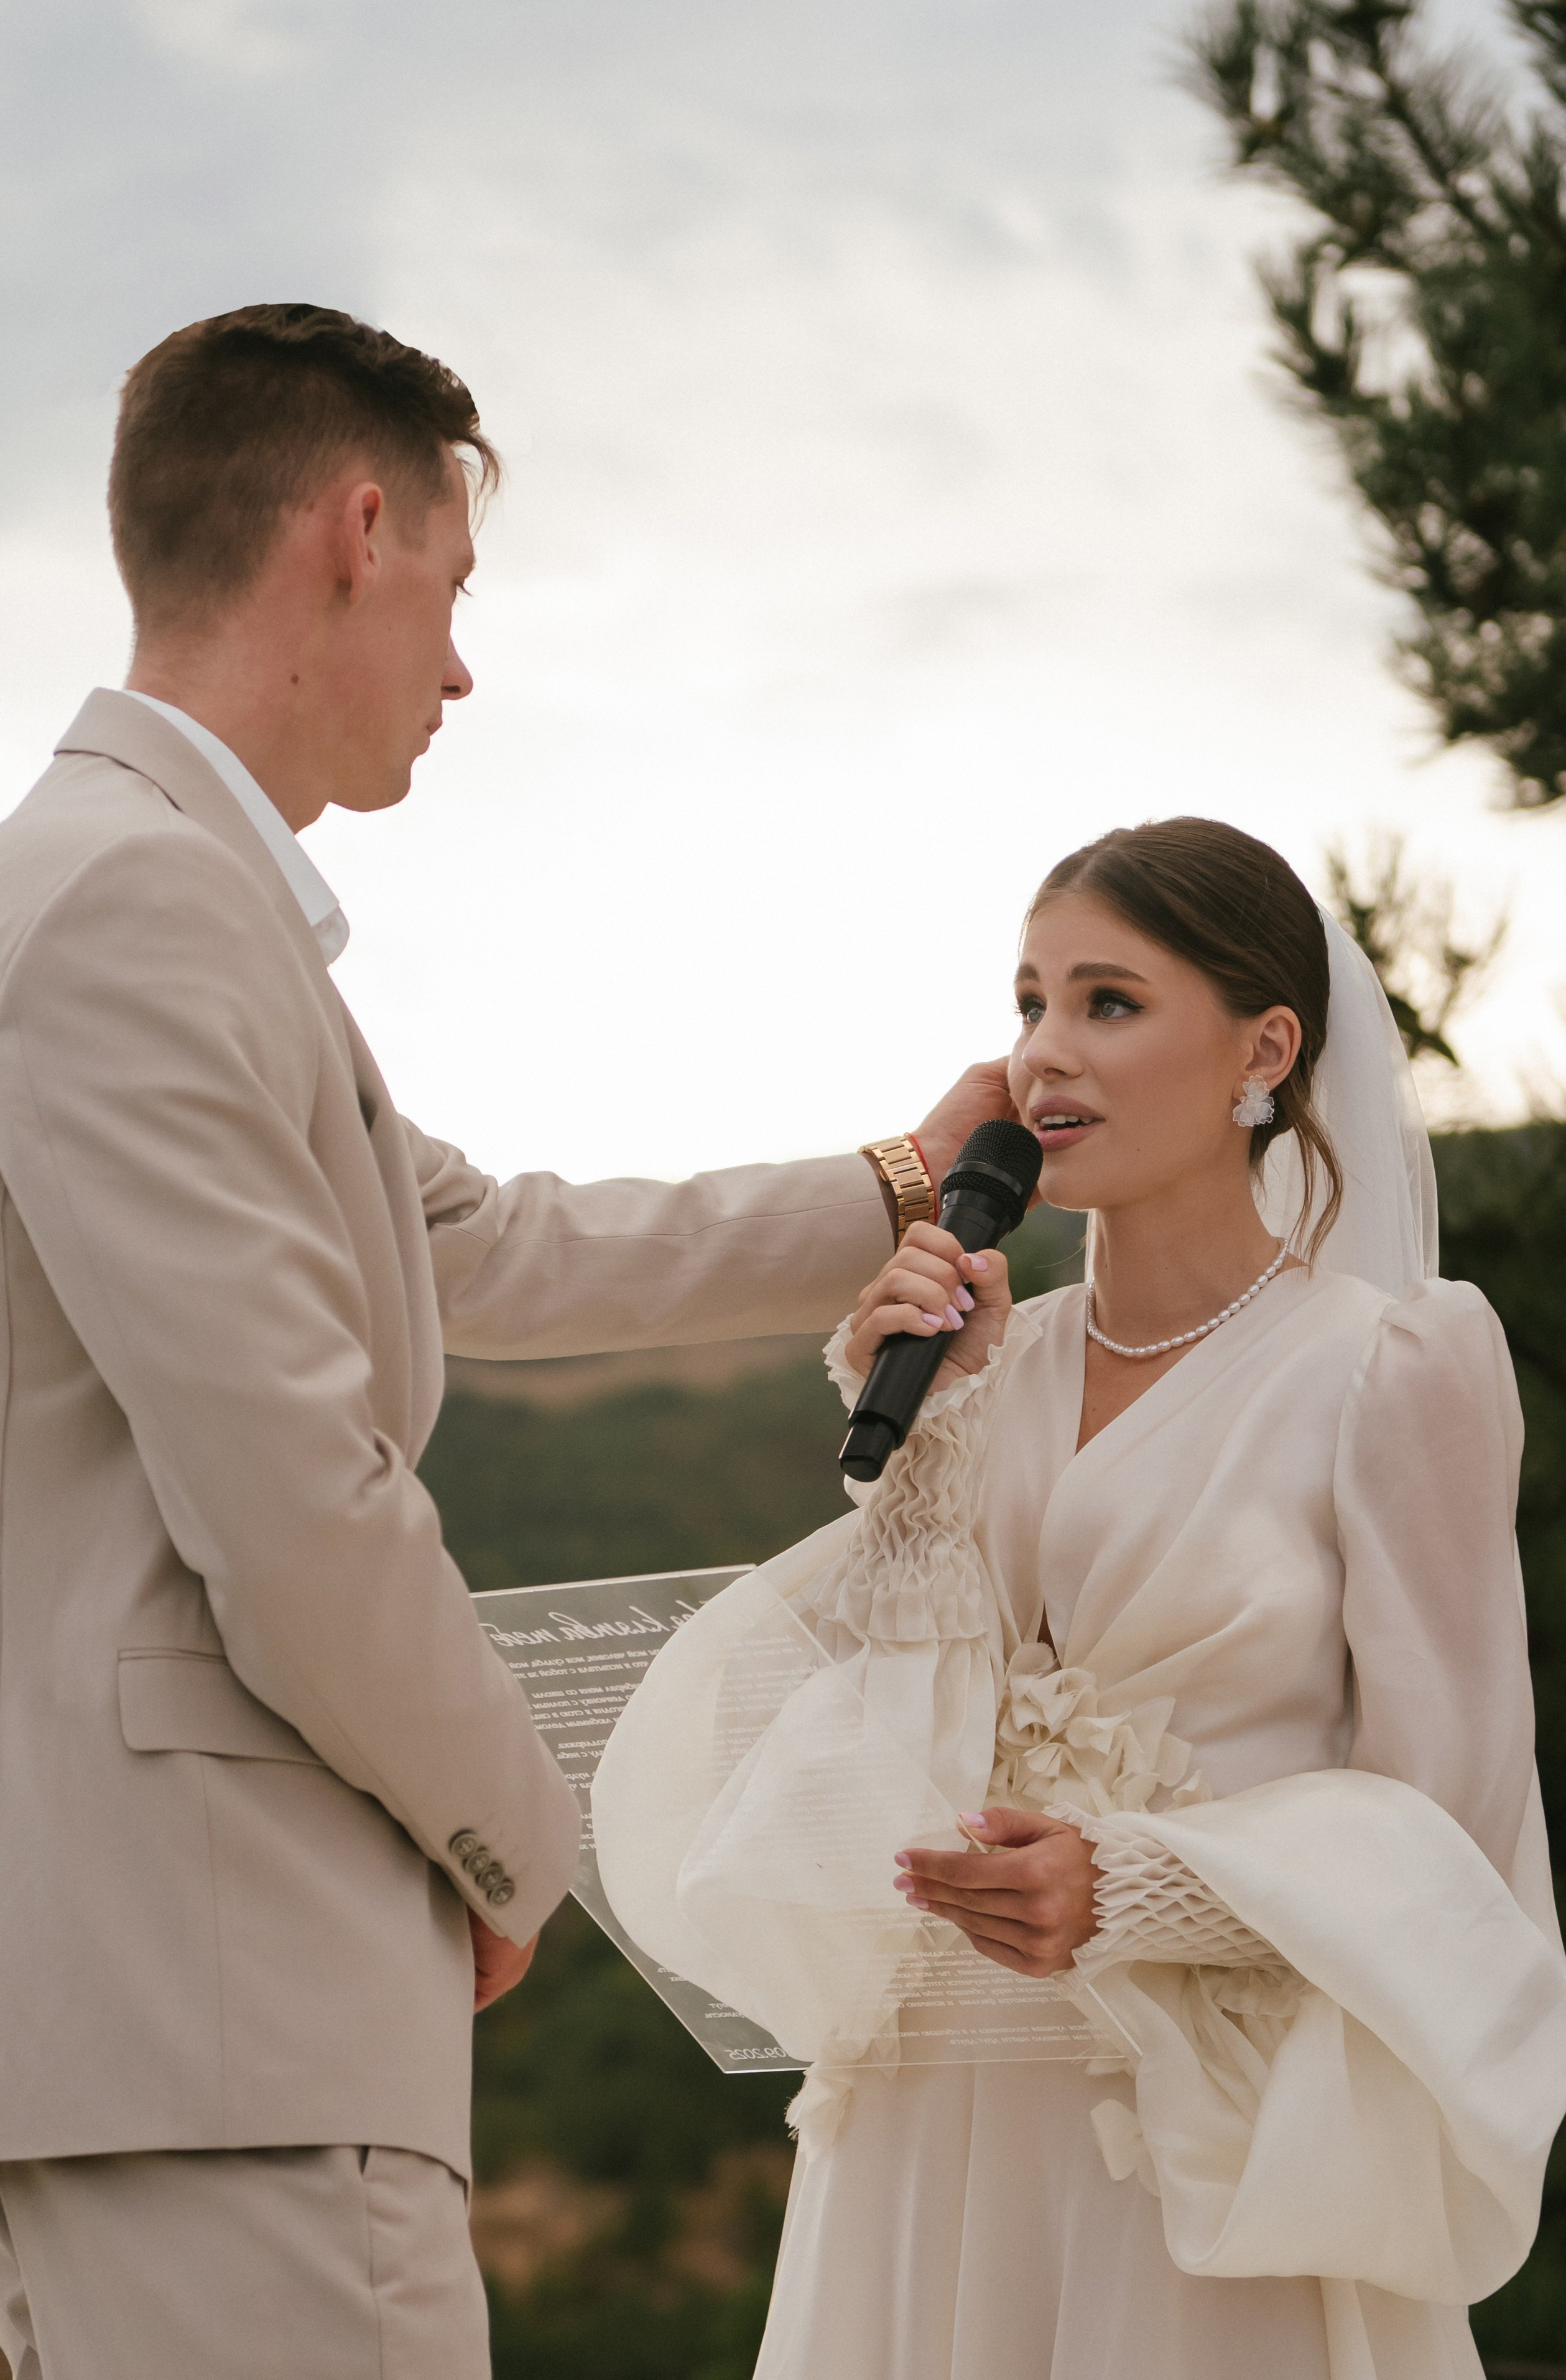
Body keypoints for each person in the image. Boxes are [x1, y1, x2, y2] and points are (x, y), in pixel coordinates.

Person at [0, 302, 1005, 2380]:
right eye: (455, 592)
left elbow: (473, 1239)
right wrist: (518, 1834)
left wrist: (903, 1182)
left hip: (134, 2019)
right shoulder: (136, 904)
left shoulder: (133, 888)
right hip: (230, 2010)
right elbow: (294, 1501)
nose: (462, 669)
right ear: (359, 531)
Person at [593, 817, 1566, 2380]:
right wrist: (920, 1430)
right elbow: (887, 1747)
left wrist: (1137, 1884)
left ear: (1265, 1049)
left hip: (1188, 2136)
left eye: (1107, 1001)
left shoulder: (1390, 1363)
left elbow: (1446, 1832)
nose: (1042, 1053)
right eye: (1027, 1001)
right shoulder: (988, 1356)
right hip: (928, 2108)